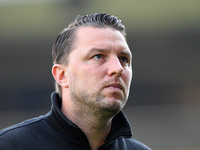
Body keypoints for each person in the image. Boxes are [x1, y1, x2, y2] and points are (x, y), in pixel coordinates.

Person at [0, 13, 151, 150]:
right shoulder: (10, 145)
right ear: (62, 75)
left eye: (123, 59)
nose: (118, 68)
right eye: (98, 56)